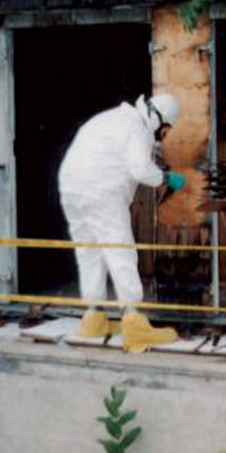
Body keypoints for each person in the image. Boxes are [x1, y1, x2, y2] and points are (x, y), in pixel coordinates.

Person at [58, 94, 186, 353]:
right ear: (157, 119)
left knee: (89, 252)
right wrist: (165, 178)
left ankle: (93, 319)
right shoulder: (136, 126)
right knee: (121, 251)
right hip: (101, 191)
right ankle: (134, 324)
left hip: (72, 189)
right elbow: (139, 168)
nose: (162, 136)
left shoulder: (111, 119)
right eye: (164, 131)